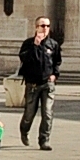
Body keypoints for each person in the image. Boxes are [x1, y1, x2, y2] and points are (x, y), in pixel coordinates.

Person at [18, 16, 61, 151]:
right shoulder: (28, 43)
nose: (45, 29)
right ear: (36, 27)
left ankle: (44, 140)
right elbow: (24, 59)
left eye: (48, 26)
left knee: (47, 113)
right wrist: (35, 46)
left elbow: (57, 61)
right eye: (42, 26)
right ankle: (24, 131)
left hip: (47, 83)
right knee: (29, 114)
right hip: (32, 84)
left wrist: (55, 75)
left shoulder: (53, 44)